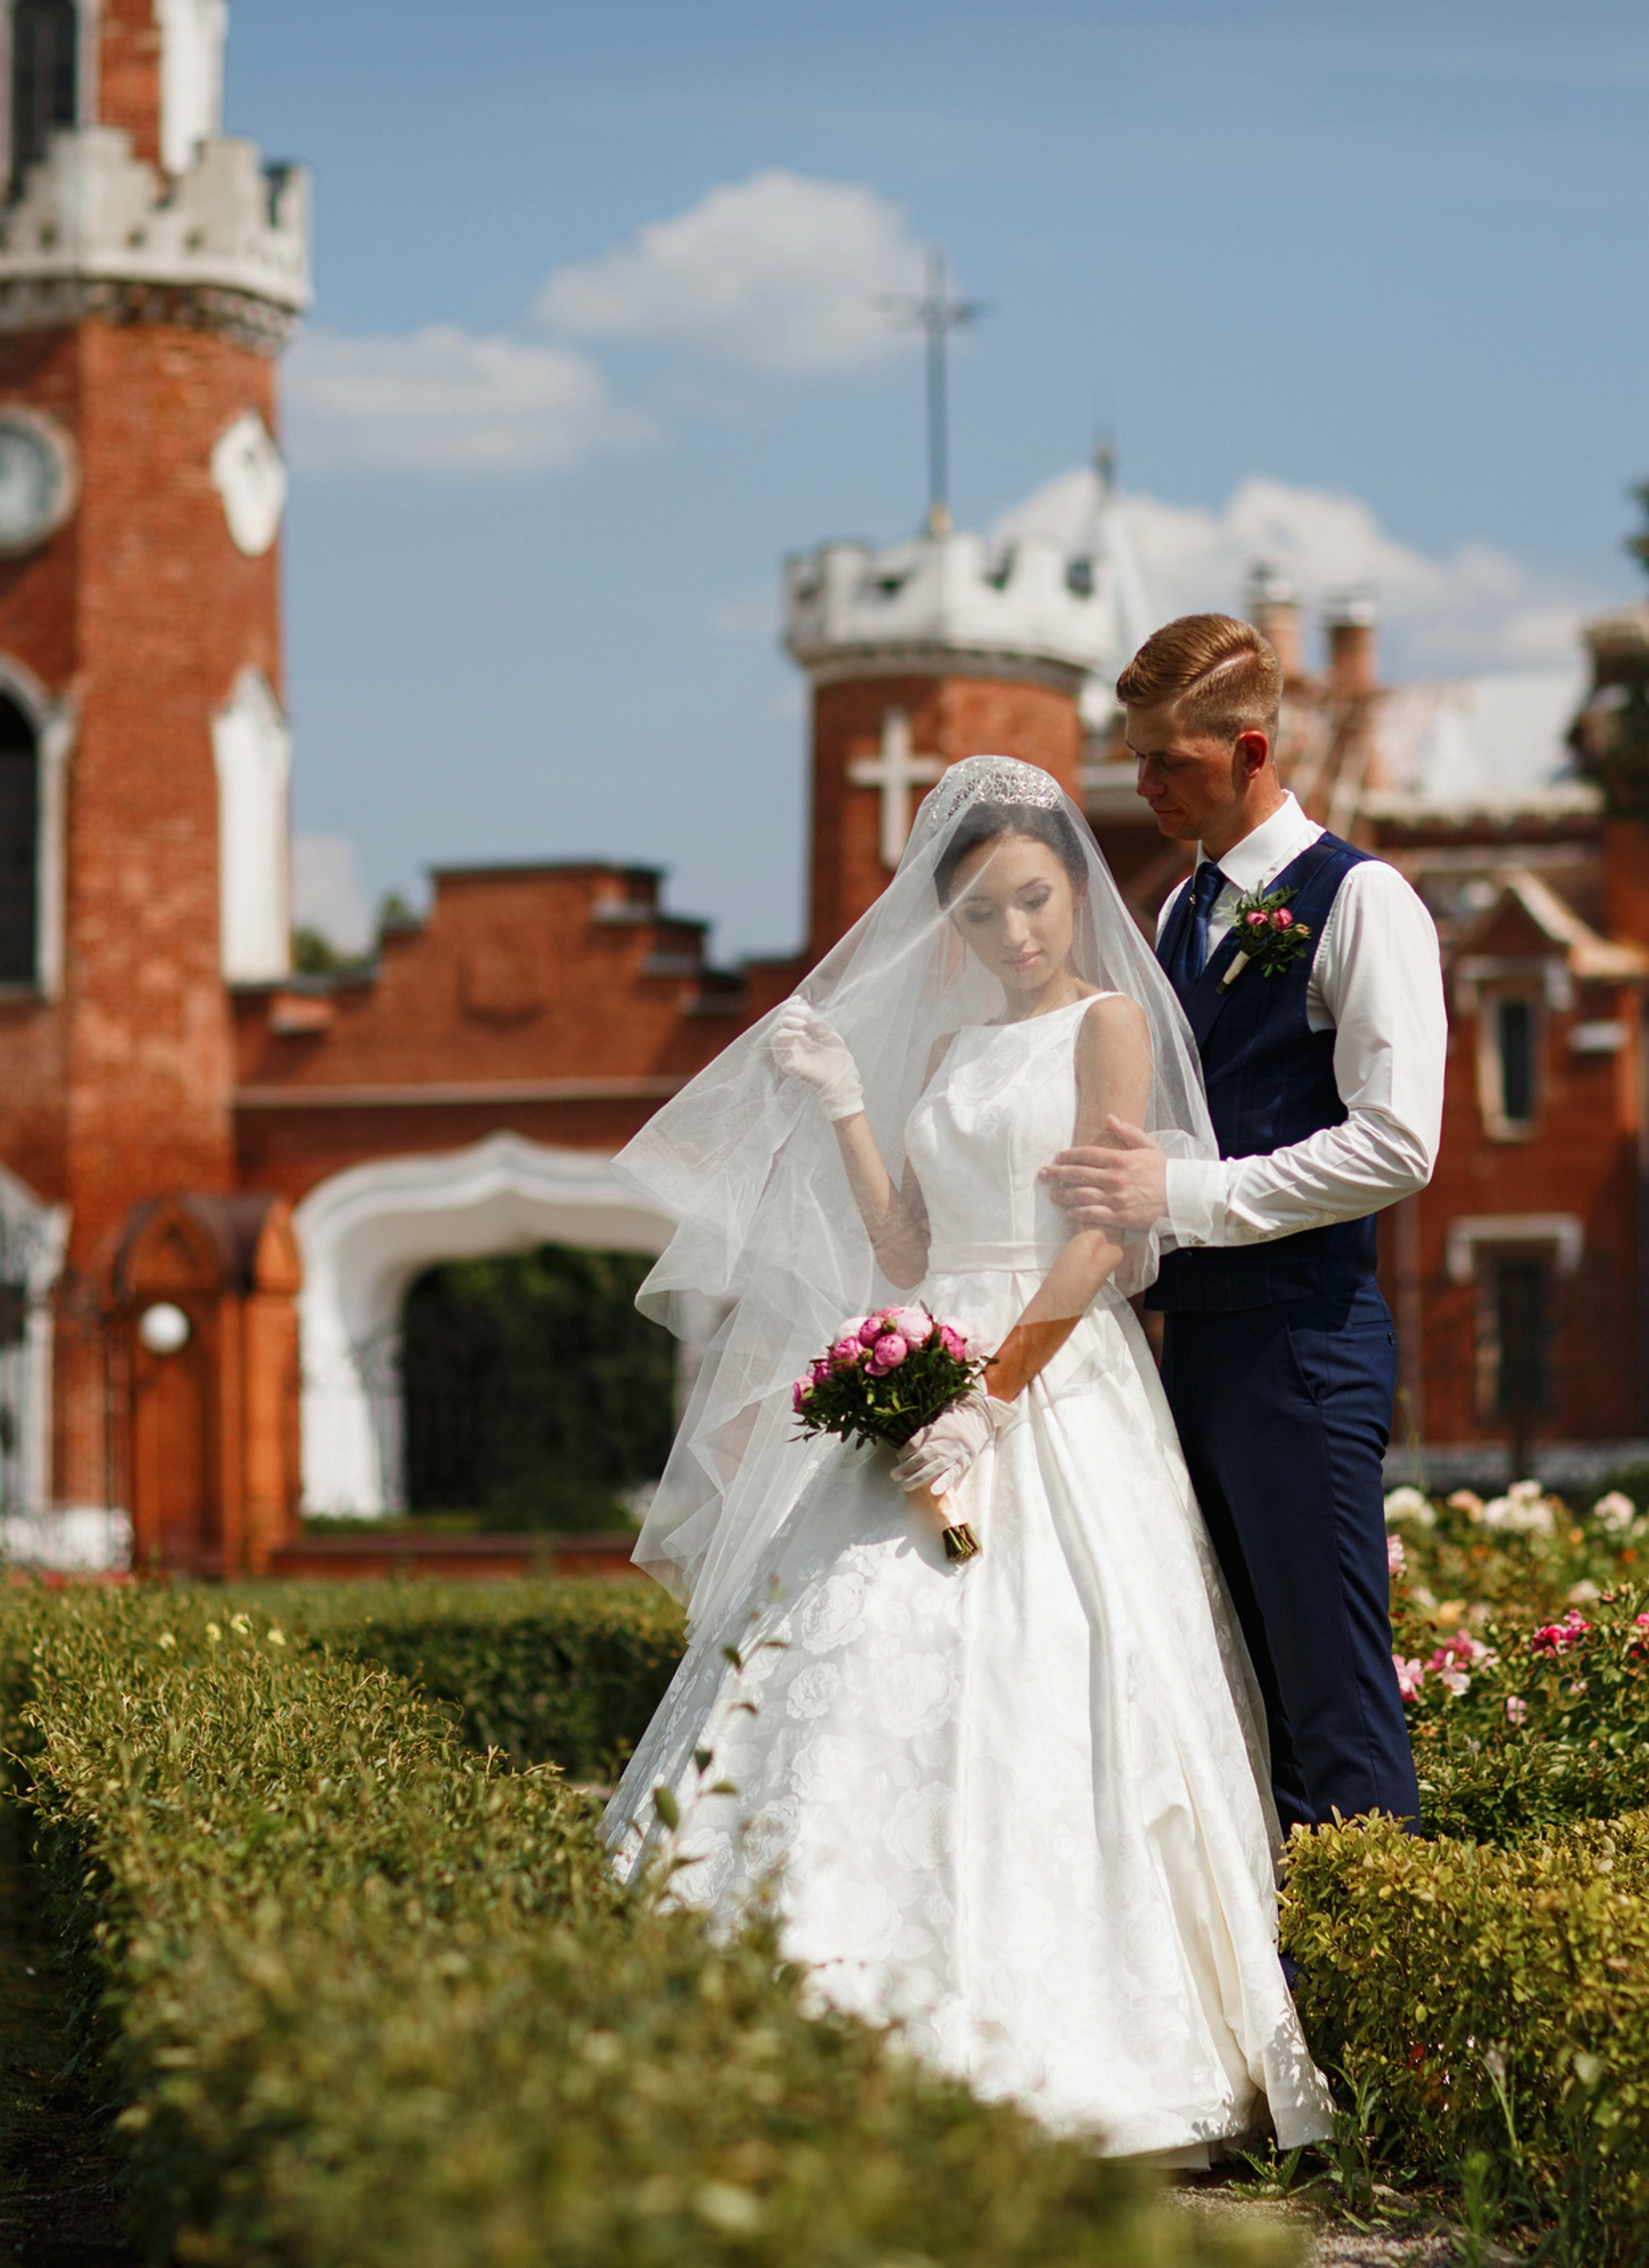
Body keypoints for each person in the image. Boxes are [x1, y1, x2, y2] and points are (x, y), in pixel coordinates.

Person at [603, 755, 1329, 2163]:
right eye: (986, 915)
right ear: (954, 925)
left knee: (1064, 1672)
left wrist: (990, 1398)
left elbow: (1107, 1239)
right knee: (846, 1654)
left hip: (1053, 1375)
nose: (1017, 935)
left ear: (1072, 889)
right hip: (937, 1339)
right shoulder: (943, 1051)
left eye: (1036, 901)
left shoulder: (1110, 1024)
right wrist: (845, 1105)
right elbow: (904, 1252)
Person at [1040, 615, 1445, 1834]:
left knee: (1334, 1699)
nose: (1145, 784)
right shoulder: (1177, 914)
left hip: (1306, 1349)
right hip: (1196, 1350)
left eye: (1168, 762)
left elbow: (1399, 1144)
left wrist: (1186, 1196)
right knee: (1239, 1697)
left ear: (1252, 745)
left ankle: (1397, 2012)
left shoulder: (1364, 900)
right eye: (1136, 757)